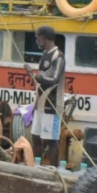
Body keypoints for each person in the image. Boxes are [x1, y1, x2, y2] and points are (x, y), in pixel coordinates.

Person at [29, 26, 66, 164]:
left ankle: (54, 168)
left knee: (51, 140)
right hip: (40, 104)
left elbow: (53, 80)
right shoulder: (44, 55)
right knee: (35, 137)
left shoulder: (58, 56)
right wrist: (33, 76)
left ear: (43, 38)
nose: (36, 40)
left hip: (52, 104)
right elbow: (42, 78)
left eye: (37, 37)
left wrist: (35, 76)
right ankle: (36, 165)